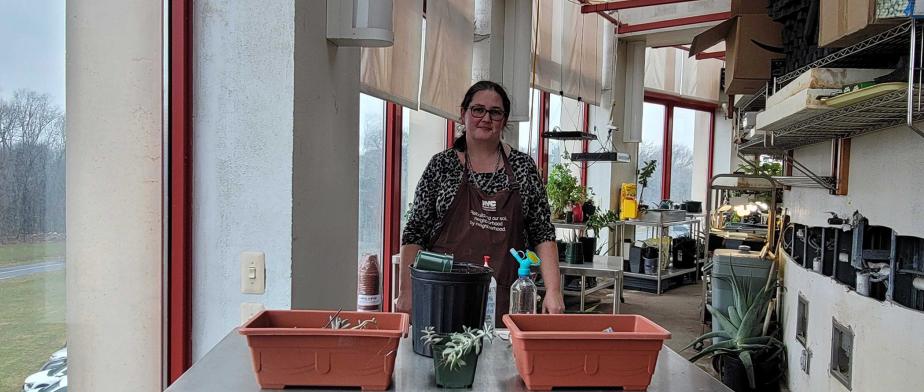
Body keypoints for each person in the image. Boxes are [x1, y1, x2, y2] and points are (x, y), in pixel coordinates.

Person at [396, 80, 564, 319]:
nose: (486, 118)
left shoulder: (523, 168)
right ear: (463, 114)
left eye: (495, 112)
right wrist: (406, 291)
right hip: (443, 296)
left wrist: (554, 291)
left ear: (504, 121)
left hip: (503, 300)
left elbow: (542, 232)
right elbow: (415, 232)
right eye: (478, 110)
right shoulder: (441, 166)